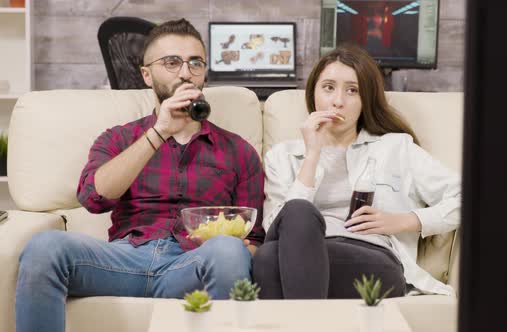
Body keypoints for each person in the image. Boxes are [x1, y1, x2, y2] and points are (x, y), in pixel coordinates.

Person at [15, 18, 264, 332]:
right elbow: (93, 198)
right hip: (122, 260)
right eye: (172, 62)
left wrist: (219, 252)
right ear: (147, 74)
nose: (185, 72)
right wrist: (158, 132)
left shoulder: (238, 150)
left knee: (229, 249)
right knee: (44, 247)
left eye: (195, 63)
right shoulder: (118, 138)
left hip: (191, 264)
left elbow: (252, 240)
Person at [253, 44, 460, 299]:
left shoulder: (395, 147)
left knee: (268, 262)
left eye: (352, 90)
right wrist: (312, 155)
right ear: (314, 93)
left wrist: (406, 220)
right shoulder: (283, 157)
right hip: (294, 253)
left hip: (371, 259)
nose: (338, 101)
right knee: (294, 215)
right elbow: (274, 226)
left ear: (366, 99)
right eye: (328, 87)